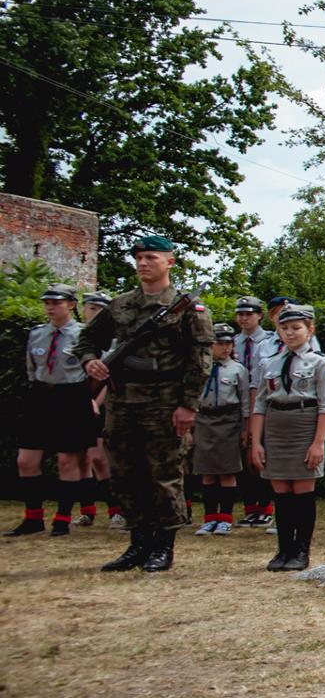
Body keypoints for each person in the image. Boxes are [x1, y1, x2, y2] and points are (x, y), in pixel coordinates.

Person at [71, 236, 214, 572]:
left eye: (151, 257)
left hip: (164, 403)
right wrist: (90, 361)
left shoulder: (187, 309)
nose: (143, 263)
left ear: (170, 262)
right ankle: (137, 543)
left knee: (164, 475)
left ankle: (163, 546)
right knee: (125, 474)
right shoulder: (120, 305)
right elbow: (87, 339)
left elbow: (200, 360)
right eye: (138, 257)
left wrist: (188, 406)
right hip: (122, 402)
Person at [248, 304, 325, 571]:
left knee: (303, 490)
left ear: (310, 330)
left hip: (304, 426)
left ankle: (301, 550)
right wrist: (256, 443)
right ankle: (283, 549)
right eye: (284, 328)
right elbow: (260, 405)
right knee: (281, 491)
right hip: (276, 428)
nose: (290, 332)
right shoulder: (270, 364)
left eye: (296, 328)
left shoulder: (320, 363)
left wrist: (318, 443)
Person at [10, 284, 93, 537]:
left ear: (71, 305)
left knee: (67, 460)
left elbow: (95, 369)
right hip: (40, 395)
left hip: (71, 396)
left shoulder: (83, 334)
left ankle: (62, 518)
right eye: (47, 303)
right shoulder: (36, 334)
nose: (50, 307)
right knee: (26, 460)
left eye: (56, 303)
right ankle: (33, 517)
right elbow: (30, 366)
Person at [191, 324, 249, 536]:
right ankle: (209, 518)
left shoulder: (237, 369)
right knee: (207, 472)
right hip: (204, 419)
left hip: (228, 420)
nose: (225, 348)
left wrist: (245, 429)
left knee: (227, 471)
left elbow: (244, 402)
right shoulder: (199, 367)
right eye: (220, 343)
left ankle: (225, 517)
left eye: (228, 344)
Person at [80, 291, 123, 530]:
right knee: (81, 458)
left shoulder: (116, 341)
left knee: (101, 458)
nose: (93, 313)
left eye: (99, 310)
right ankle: (87, 509)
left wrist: (96, 401)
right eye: (90, 308)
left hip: (104, 404)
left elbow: (112, 377)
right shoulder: (79, 339)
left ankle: (116, 509)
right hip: (75, 402)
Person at [232, 295, 276, 528]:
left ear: (259, 316)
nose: (244, 318)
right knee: (242, 456)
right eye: (240, 314)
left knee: (261, 454)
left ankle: (265, 506)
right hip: (237, 405)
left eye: (249, 314)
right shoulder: (232, 342)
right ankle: (250, 507)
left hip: (262, 404)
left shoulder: (269, 341)